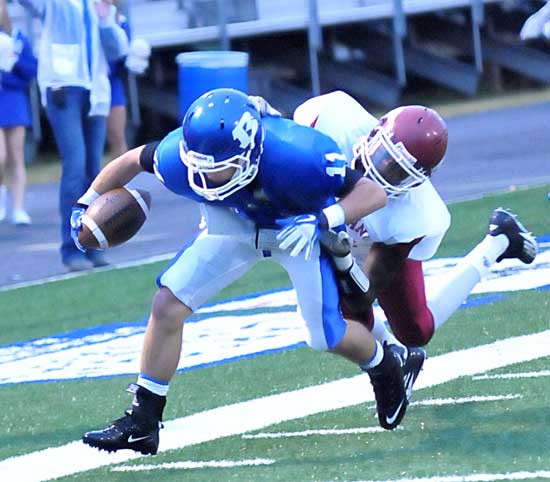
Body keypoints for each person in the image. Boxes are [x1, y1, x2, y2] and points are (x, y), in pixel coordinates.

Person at [73, 88, 409, 455]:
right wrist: (85, 202)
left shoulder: (298, 153)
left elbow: (372, 192)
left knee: (324, 335)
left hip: (297, 228)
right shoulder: (180, 158)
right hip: (233, 224)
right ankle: (143, 422)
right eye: (199, 166)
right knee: (167, 305)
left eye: (217, 169)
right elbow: (132, 160)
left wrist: (324, 218)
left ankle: (384, 365)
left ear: (250, 153)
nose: (204, 177)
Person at [292, 90, 538, 402]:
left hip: (378, 243)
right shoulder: (327, 116)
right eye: (382, 157)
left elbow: (363, 294)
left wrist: (341, 259)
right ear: (375, 132)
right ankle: (396, 357)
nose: (379, 173)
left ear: (419, 179)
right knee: (339, 317)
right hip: (333, 222)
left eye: (397, 172)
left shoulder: (416, 215)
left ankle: (500, 240)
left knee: (414, 331)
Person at [18, 0, 128, 271]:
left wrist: (105, 20)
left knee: (94, 170)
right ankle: (71, 248)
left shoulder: (101, 5)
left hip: (97, 91)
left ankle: (94, 242)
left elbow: (118, 51)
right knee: (75, 166)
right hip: (63, 88)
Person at [0, 0, 37, 225]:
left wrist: (12, 63)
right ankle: (1, 198)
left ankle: (19, 208)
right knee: (0, 156)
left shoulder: (18, 37)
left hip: (13, 101)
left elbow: (30, 70)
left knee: (16, 157)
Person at [106, 0, 151, 158]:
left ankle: (120, 181)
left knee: (117, 137)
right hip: (91, 83)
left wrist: (135, 59)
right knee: (91, 141)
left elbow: (125, 61)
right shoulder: (88, 18)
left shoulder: (121, 22)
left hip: (112, 83)